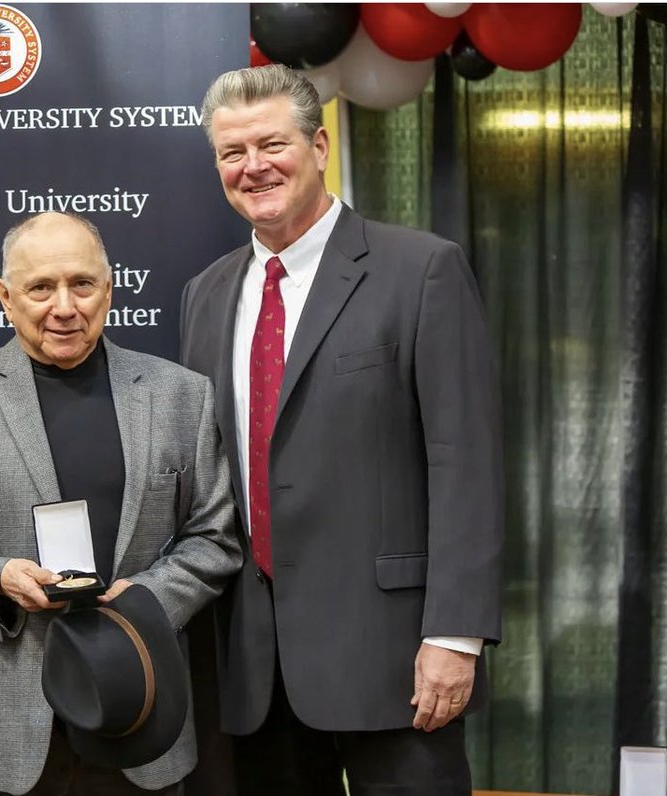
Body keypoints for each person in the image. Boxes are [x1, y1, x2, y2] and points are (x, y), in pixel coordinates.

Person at [179, 65, 504, 794]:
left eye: (271, 144)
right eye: (232, 153)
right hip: (255, 671)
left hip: (395, 660)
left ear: (320, 145)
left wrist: (454, 636)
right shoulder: (205, 296)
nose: (253, 166)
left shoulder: (421, 270)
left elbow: (465, 463)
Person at [0, 212, 242, 796]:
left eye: (82, 284)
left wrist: (147, 601)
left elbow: (215, 536)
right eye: (39, 288)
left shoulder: (180, 394)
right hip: (0, 733)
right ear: (4, 296)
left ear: (109, 287)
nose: (64, 306)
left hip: (140, 712)